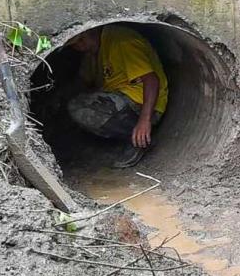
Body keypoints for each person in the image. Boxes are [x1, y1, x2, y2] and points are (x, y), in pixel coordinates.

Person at [66, 25, 169, 168]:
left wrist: (144, 121)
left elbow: (151, 81)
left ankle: (140, 138)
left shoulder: (122, 42)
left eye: (81, 40)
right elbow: (83, 81)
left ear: (91, 30)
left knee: (78, 107)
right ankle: (132, 134)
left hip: (142, 103)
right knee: (78, 102)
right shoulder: (93, 53)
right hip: (121, 101)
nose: (79, 46)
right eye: (75, 44)